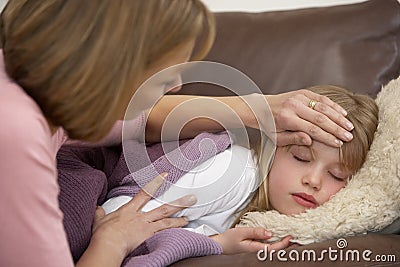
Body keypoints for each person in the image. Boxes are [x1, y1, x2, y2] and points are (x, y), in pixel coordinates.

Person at [0, 1, 355, 266]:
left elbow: (142, 122)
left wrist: (257, 108)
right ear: (109, 61)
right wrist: (111, 241)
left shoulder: (39, 96)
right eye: (167, 69)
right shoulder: (16, 131)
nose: (177, 85)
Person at [102, 85, 379, 249]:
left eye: (337, 175)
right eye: (301, 158)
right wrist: (213, 243)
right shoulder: (233, 171)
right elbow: (117, 217)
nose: (313, 180)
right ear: (272, 148)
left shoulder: (276, 219)